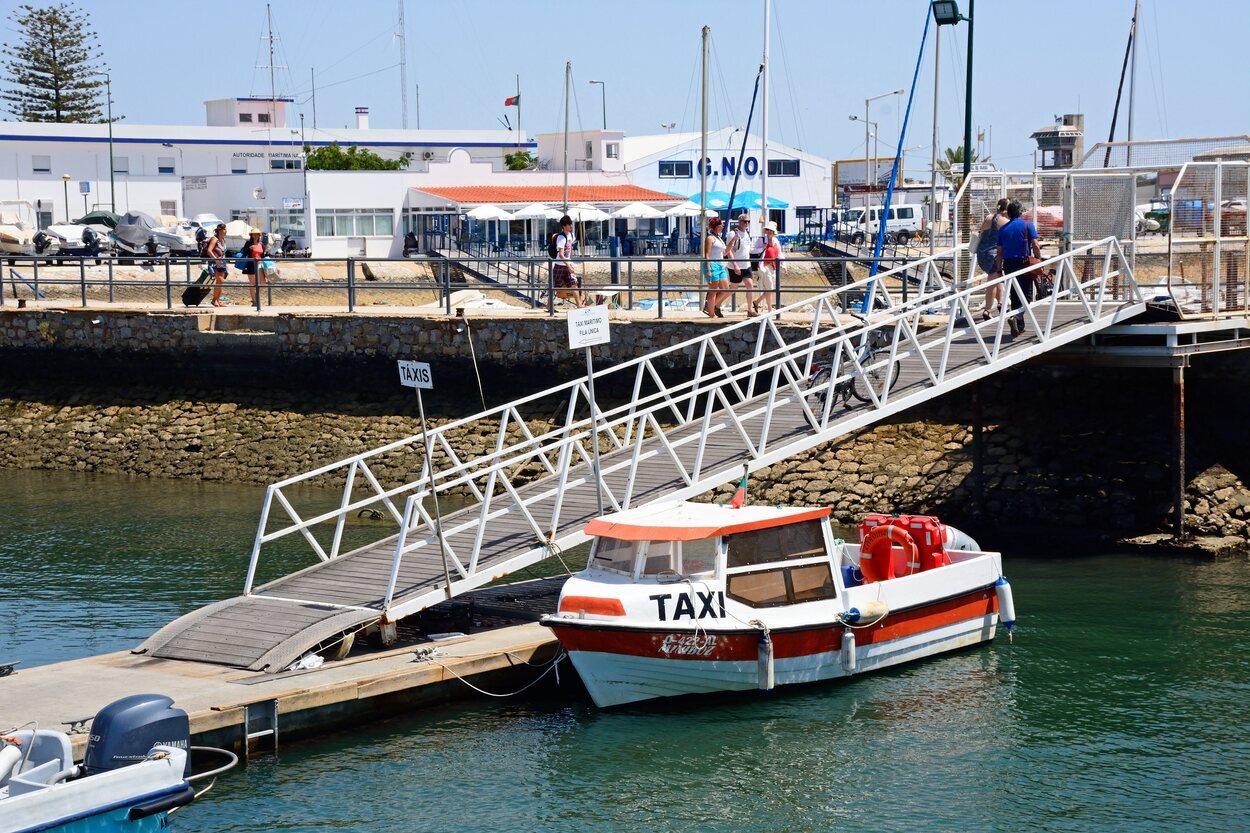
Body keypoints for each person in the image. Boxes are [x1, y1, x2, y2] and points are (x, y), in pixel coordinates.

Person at [994, 200, 1041, 337]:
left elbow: (999, 252)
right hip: (1024, 264)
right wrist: (1038, 260)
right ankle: (1016, 318)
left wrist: (998, 269)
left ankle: (1019, 327)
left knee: (1014, 296)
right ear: (1021, 212)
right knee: (1026, 297)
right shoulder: (1027, 225)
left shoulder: (1003, 229)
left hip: (1008, 265)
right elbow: (1036, 245)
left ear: (1008, 214)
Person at [977, 198, 1010, 320]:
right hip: (994, 256)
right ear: (1006, 210)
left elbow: (980, 232)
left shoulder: (988, 218)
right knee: (992, 280)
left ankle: (1001, 304)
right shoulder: (1005, 221)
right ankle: (988, 310)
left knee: (997, 278)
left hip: (981, 255)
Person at [725, 213, 757, 315]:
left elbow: (748, 249)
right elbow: (729, 251)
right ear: (739, 222)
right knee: (733, 289)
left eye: (748, 221)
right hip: (736, 266)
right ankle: (716, 304)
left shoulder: (747, 233)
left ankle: (750, 309)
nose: (746, 223)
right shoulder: (732, 234)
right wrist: (735, 265)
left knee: (750, 286)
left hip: (746, 265)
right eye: (744, 221)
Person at [551, 215, 586, 307]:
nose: (571, 226)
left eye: (571, 224)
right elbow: (561, 254)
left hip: (568, 265)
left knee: (574, 284)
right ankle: (549, 305)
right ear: (564, 226)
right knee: (554, 286)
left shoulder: (571, 235)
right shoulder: (561, 238)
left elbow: (570, 249)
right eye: (569, 224)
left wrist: (570, 262)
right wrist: (568, 265)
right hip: (559, 265)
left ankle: (579, 305)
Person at [753, 221, 782, 314]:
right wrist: (762, 248)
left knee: (770, 288)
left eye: (771, 230)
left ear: (774, 232)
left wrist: (783, 264)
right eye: (768, 230)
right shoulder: (761, 240)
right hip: (764, 266)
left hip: (773, 266)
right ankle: (769, 309)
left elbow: (779, 253)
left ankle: (757, 302)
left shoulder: (776, 241)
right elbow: (752, 250)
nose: (769, 232)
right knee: (770, 288)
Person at [702, 216, 728, 317]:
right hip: (712, 265)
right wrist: (708, 269)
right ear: (716, 226)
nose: (722, 226)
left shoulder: (719, 238)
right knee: (713, 291)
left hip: (720, 265)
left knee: (725, 289)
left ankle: (709, 306)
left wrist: (732, 241)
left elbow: (725, 252)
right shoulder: (710, 238)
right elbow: (707, 254)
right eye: (720, 225)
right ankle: (712, 314)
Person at [241, 227, 267, 306]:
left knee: (263, 282)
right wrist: (249, 249)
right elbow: (244, 254)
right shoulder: (248, 243)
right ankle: (254, 301)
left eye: (256, 234)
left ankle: (256, 297)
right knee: (252, 283)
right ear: (251, 235)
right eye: (253, 234)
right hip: (251, 264)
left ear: (259, 235)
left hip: (260, 264)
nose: (255, 236)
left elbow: (262, 255)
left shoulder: (261, 244)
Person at [205, 223, 228, 307]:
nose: (226, 231)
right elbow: (209, 251)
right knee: (220, 281)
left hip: (223, 263)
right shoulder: (215, 239)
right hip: (215, 264)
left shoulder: (223, 240)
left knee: (220, 282)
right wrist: (216, 259)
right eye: (225, 229)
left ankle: (217, 300)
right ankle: (214, 300)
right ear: (220, 230)